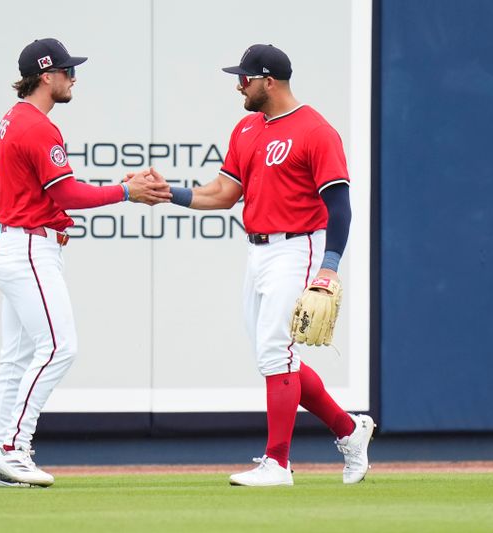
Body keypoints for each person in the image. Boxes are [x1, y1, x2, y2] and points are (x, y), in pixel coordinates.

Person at [153, 43, 375, 486]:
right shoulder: (247, 129)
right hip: (258, 250)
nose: (239, 86)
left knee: (276, 352)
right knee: (274, 355)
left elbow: (340, 206)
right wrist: (170, 193)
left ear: (268, 81)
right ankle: (350, 430)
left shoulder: (316, 131)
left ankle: (278, 463)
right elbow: (222, 193)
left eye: (244, 79)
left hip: (298, 247)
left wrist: (329, 266)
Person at [0, 38, 171, 488]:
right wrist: (127, 192)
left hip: (17, 243)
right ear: (46, 76)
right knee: (59, 348)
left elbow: (46, 194)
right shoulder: (37, 126)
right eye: (67, 71)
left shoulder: (13, 120)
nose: (73, 78)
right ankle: (11, 448)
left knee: (17, 360)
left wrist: (110, 190)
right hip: (29, 249)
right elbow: (65, 194)